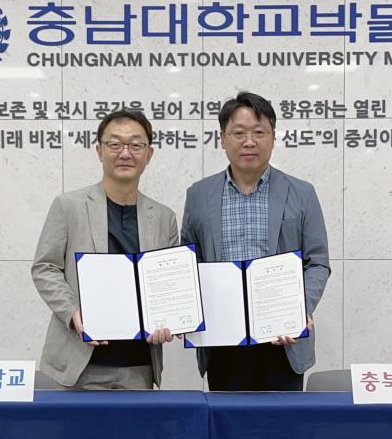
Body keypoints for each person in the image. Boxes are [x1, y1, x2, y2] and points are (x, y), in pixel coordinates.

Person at [181, 91, 331, 391]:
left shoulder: (302, 192)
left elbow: (317, 261)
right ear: (222, 139)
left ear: (273, 138)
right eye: (239, 133)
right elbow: (188, 261)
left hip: (283, 340)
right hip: (223, 340)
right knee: (226, 418)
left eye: (259, 133)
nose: (249, 142)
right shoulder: (198, 194)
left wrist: (298, 308)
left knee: (282, 418)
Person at [32, 110, 178, 389]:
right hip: (78, 363)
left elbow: (168, 283)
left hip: (139, 366)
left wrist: (169, 318)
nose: (125, 153)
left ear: (149, 154)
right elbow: (45, 267)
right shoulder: (69, 206)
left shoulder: (163, 217)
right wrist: (72, 312)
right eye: (115, 144)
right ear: (99, 151)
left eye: (136, 145)